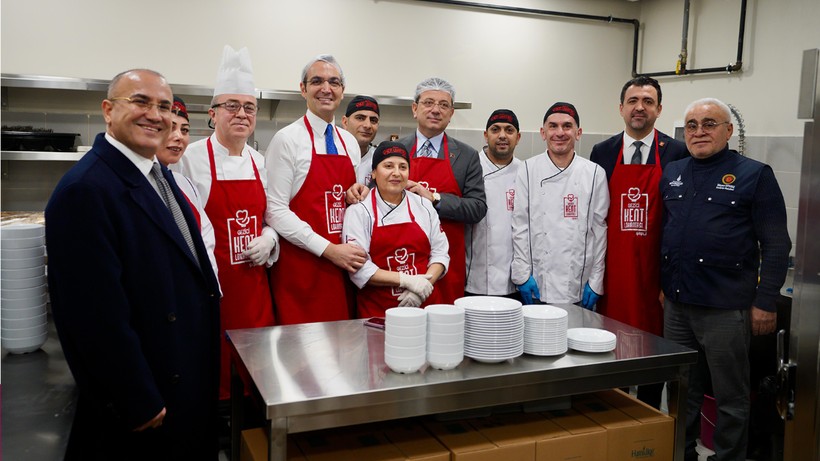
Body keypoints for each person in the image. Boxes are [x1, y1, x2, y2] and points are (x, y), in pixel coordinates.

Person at [45, 69, 221, 460]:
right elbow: (92, 316)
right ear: (108, 111)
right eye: (140, 102)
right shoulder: (86, 190)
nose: (155, 115)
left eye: (163, 106)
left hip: (180, 371)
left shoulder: (157, 173)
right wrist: (135, 397)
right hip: (146, 395)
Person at [661, 98, 790, 461]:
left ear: (728, 130)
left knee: (731, 397)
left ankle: (729, 457)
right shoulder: (674, 171)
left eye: (709, 123)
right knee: (682, 392)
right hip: (677, 306)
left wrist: (766, 300)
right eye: (691, 125)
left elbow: (777, 243)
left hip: (725, 309)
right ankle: (680, 454)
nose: (699, 131)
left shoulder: (754, 174)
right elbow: (667, 232)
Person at [174, 46, 276, 401]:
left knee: (257, 364)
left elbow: (272, 216)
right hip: (212, 284)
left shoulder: (261, 161)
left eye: (249, 107)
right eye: (231, 105)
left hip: (255, 284)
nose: (241, 114)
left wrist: (269, 237)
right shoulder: (189, 158)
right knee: (213, 360)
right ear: (212, 114)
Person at [589, 76, 688, 409]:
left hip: (653, 276)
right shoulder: (602, 152)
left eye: (648, 101)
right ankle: (610, 415)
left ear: (659, 109)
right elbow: (595, 217)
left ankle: (646, 418)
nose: (639, 107)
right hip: (612, 273)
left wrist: (670, 278)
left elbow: (681, 220)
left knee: (651, 351)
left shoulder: (677, 152)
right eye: (633, 101)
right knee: (608, 349)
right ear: (621, 108)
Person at [265, 54, 365, 324]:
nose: (326, 88)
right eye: (317, 81)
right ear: (303, 89)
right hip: (302, 270)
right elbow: (274, 210)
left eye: (334, 82)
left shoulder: (348, 142)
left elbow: (348, 197)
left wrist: (356, 195)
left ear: (342, 91)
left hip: (344, 270)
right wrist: (329, 250)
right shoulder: (287, 139)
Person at [398, 77, 487, 304]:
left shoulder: (467, 156)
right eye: (428, 103)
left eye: (443, 105)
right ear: (415, 109)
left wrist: (435, 198)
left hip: (448, 262)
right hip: (401, 259)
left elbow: (478, 208)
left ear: (451, 113)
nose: (436, 110)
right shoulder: (396, 150)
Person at [511, 102, 608, 307]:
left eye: (567, 126)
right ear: (543, 132)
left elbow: (599, 230)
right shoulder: (528, 169)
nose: (560, 132)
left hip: (578, 284)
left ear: (578, 132)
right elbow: (520, 225)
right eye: (553, 126)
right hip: (538, 280)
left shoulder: (594, 173)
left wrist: (596, 280)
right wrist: (522, 274)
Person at [342, 142, 449, 317]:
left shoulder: (424, 206)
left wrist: (422, 286)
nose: (396, 173)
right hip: (378, 312)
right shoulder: (359, 212)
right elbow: (359, 267)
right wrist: (407, 281)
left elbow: (440, 253)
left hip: (424, 306)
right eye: (388, 166)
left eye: (403, 167)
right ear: (374, 173)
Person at [157, 96, 219, 279]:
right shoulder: (138, 185)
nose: (178, 137)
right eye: (170, 128)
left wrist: (212, 286)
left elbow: (206, 240)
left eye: (184, 130)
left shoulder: (184, 184)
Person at [465, 109, 522, 300]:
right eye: (495, 130)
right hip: (474, 277)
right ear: (485, 135)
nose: (502, 136)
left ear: (518, 137)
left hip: (513, 280)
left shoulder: (525, 172)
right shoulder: (470, 167)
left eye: (509, 130)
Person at [341, 95, 380, 185]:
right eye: (360, 118)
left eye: (373, 120)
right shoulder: (332, 155)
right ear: (345, 122)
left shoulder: (380, 161)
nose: (367, 125)